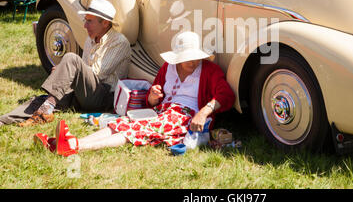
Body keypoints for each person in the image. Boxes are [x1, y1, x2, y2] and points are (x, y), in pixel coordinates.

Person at [34, 31, 236, 157]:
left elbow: (226, 95)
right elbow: (153, 96)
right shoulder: (168, 68)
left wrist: (204, 112)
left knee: (135, 129)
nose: (192, 62)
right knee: (125, 124)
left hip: (184, 117)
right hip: (162, 112)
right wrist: (152, 98)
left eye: (195, 57)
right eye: (187, 58)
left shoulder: (209, 70)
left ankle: (74, 145)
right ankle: (68, 144)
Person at [0, 0, 131, 127]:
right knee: (43, 99)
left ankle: (46, 108)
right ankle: (5, 120)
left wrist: (67, 71)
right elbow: (84, 73)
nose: (85, 25)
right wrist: (64, 74)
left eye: (89, 21)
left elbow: (97, 75)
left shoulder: (119, 42)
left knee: (71, 59)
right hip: (86, 94)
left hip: (104, 98)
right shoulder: (90, 40)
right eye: (86, 20)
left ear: (105, 23)